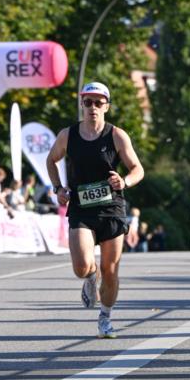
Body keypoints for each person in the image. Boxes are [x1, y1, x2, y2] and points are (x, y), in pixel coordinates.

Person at [45, 81, 144, 339]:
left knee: (111, 270)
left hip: (111, 209)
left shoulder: (117, 136)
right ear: (82, 104)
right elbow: (51, 160)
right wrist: (58, 188)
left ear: (106, 106)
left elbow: (138, 169)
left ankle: (105, 318)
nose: (93, 107)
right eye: (88, 102)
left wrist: (125, 181)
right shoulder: (68, 135)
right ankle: (90, 277)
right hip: (82, 208)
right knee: (81, 267)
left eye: (98, 103)